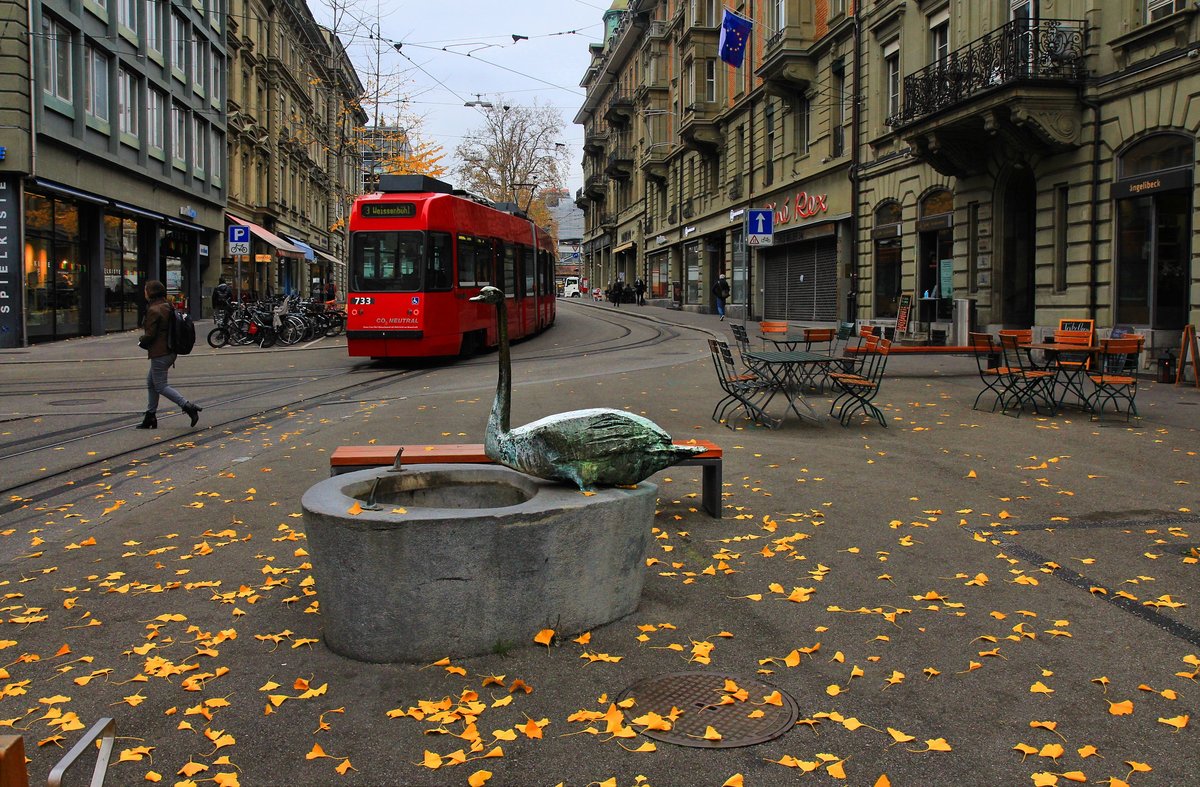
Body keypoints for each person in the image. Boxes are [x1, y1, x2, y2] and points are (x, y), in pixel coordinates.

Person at [137, 280, 201, 430]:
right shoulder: (167, 305)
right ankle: (150, 416)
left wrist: (141, 341)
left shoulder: (154, 309)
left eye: (145, 289)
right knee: (151, 382)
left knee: (160, 385)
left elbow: (150, 334)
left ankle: (188, 406)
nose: (144, 292)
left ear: (150, 292)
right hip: (170, 350)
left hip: (161, 352)